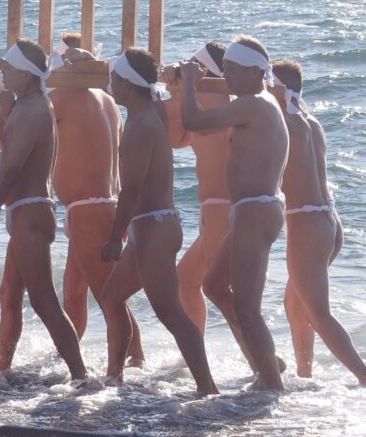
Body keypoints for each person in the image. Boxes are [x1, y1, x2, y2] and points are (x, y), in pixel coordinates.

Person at [0, 40, 88, 381]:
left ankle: (80, 376)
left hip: (31, 213)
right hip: (22, 212)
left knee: (44, 301)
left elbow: (11, 170)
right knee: (9, 294)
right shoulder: (25, 104)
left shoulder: (34, 109)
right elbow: (8, 143)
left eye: (7, 67)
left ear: (25, 73)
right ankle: (2, 372)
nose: (1, 71)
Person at [99, 50, 218, 394]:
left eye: (115, 79)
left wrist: (113, 238)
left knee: (171, 313)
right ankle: (114, 378)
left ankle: (207, 388)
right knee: (111, 298)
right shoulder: (152, 112)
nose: (111, 84)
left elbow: (132, 190)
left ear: (128, 85)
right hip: (149, 225)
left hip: (154, 227)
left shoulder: (142, 125)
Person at [180, 36, 288, 391]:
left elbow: (194, 120)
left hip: (257, 209)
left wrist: (189, 84)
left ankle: (271, 386)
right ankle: (267, 363)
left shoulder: (255, 104)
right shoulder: (257, 103)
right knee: (212, 285)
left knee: (247, 308)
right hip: (252, 209)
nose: (227, 79)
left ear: (257, 72)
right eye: (223, 71)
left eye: (232, 72)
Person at [273, 60, 366, 389]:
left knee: (318, 312)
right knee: (295, 302)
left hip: (307, 225)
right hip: (329, 221)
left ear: (278, 87)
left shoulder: (281, 123)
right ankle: (304, 375)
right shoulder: (311, 122)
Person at [48, 33, 140, 360]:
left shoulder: (61, 98)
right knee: (74, 291)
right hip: (108, 205)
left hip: (88, 211)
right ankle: (66, 359)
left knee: (108, 297)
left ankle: (134, 361)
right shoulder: (108, 100)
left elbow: (16, 135)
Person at [162, 41, 233, 333]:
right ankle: (196, 349)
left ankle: (261, 360)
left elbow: (169, 136)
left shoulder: (204, 97)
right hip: (219, 210)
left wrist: (174, 89)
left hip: (220, 210)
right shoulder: (225, 99)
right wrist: (180, 90)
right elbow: (180, 139)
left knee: (225, 292)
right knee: (187, 280)